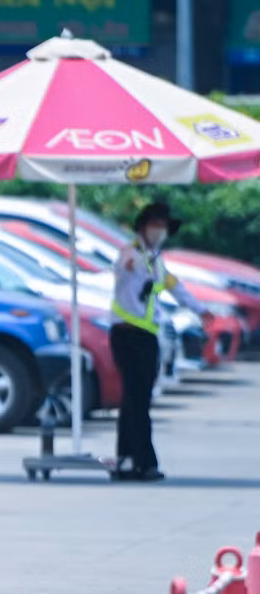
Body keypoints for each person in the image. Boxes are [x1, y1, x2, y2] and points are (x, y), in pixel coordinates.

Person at [109, 201, 212, 481]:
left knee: (138, 400)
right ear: (144, 227)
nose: (161, 231)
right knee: (136, 400)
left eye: (164, 226)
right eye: (156, 225)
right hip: (127, 335)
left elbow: (175, 287)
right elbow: (124, 268)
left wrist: (200, 310)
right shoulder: (131, 255)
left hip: (146, 335)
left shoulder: (155, 259)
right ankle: (141, 462)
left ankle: (129, 460)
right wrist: (131, 265)